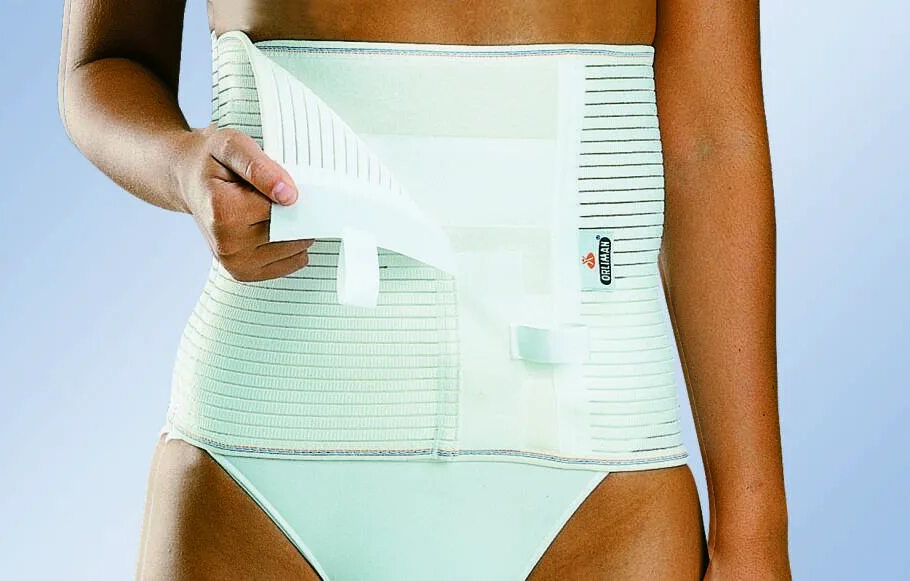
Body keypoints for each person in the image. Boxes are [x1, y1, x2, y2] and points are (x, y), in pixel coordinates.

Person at [59, 1, 791, 579]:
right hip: (259, 474)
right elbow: (102, 63)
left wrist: (754, 532)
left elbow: (710, 141)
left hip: (598, 493)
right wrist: (182, 167)